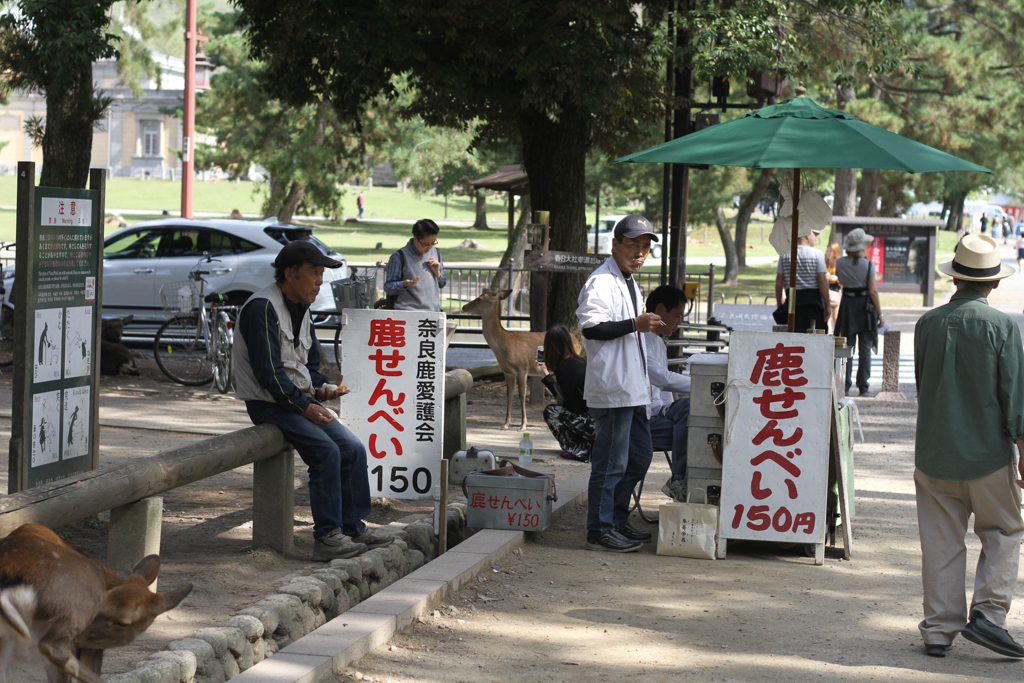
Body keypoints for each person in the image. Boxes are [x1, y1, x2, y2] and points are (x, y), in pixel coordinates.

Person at [234, 240, 394, 561]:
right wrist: (306, 406)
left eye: (322, 274)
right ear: (290, 273)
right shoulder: (262, 307)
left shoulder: (302, 307)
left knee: (353, 448)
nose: (320, 281)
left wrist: (323, 389)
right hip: (269, 404)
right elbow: (269, 375)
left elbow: (309, 366)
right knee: (326, 452)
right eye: (315, 273)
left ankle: (353, 526)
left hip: (298, 401)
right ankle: (327, 537)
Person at [914, 234, 1024, 659]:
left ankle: (939, 630)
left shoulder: (927, 324)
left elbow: (925, 385)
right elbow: (1015, 397)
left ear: (955, 278)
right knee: (1004, 531)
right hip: (988, 454)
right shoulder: (1001, 326)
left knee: (941, 542)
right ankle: (988, 617)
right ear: (993, 283)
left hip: (934, 452)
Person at [576, 214, 661, 553]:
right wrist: (635, 324)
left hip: (633, 389)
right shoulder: (601, 281)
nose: (639, 253)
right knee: (611, 463)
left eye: (645, 247)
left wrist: (643, 326)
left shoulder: (628, 281)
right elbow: (591, 328)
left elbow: (631, 330)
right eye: (632, 245)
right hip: (613, 389)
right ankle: (599, 530)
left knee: (639, 456)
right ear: (614, 245)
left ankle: (615, 519)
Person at [642, 286, 691, 502]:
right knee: (693, 423)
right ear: (660, 310)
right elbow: (662, 378)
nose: (679, 322)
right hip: (643, 416)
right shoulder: (640, 339)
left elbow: (664, 393)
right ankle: (679, 479)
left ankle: (681, 480)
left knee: (695, 422)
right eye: (677, 315)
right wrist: (703, 384)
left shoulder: (659, 342)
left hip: (659, 413)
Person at [834, 228, 884, 396]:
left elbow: (840, 281)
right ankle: (863, 387)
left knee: (847, 347)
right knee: (865, 348)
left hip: (848, 306)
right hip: (865, 308)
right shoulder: (869, 265)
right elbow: (873, 291)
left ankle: (845, 386)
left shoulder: (840, 263)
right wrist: (880, 314)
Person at [537, 325, 593, 462]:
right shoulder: (584, 360)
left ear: (550, 347)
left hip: (591, 425)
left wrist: (546, 376)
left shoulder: (564, 368)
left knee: (551, 411)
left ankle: (578, 449)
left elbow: (571, 406)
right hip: (603, 420)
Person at [383, 219, 447, 312]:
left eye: (433, 243)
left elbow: (442, 283)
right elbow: (388, 287)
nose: (430, 248)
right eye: (426, 244)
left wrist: (437, 273)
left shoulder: (436, 252)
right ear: (416, 238)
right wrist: (404, 284)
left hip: (433, 312)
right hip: (407, 312)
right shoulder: (399, 257)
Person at [774, 228, 830, 333]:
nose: (815, 238)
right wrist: (827, 304)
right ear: (808, 236)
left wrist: (779, 303)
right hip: (813, 302)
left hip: (792, 301)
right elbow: (822, 281)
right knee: (813, 334)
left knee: (793, 334)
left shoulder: (784, 255)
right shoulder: (817, 254)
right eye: (815, 235)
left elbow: (779, 282)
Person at [825, 241, 843, 333]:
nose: (828, 253)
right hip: (826, 290)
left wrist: (834, 278)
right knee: (826, 316)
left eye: (830, 251)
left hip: (835, 290)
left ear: (835, 252)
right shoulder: (825, 262)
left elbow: (841, 278)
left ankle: (837, 335)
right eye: (827, 251)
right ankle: (828, 333)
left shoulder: (839, 263)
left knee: (836, 317)